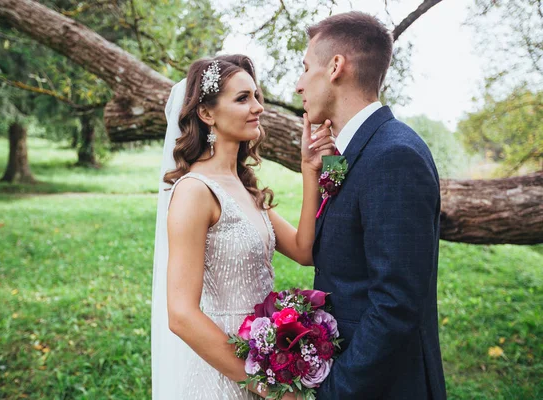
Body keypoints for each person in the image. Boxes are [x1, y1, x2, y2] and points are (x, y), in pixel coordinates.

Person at [151, 54, 334, 399]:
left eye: (256, 97)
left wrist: (310, 170)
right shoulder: (195, 191)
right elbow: (181, 315)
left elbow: (304, 250)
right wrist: (270, 388)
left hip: (266, 362)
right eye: (242, 98)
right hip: (224, 372)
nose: (258, 107)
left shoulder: (246, 187)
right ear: (207, 114)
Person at [296, 11, 447, 399]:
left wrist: (333, 389)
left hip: (383, 386)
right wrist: (319, 168)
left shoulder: (394, 155)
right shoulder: (358, 150)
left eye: (305, 67)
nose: (298, 85)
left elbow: (395, 304)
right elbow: (344, 249)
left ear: (335, 67)